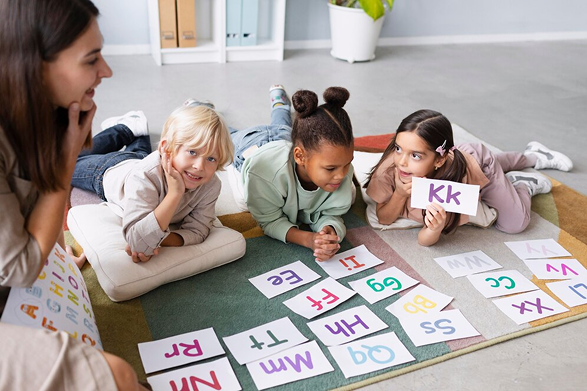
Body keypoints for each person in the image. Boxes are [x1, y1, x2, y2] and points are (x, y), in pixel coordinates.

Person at [0, 0, 147, 389]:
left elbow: (44, 206)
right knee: (117, 374)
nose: (107, 71)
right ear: (34, 64)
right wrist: (66, 162)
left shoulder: (37, 108)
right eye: (91, 59)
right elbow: (20, 265)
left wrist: (70, 148)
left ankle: (129, 131)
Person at [365, 109, 573, 246]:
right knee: (492, 163)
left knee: (514, 223)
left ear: (438, 160)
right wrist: (401, 195)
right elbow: (384, 218)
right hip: (462, 160)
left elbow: (471, 171)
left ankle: (524, 182)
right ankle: (526, 160)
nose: (401, 162)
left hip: (476, 164)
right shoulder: (390, 169)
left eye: (415, 155)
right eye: (399, 148)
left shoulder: (454, 179)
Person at [71, 103, 234, 263]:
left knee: (140, 154)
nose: (199, 166)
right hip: (110, 169)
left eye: (211, 158)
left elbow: (198, 231)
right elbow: (137, 240)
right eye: (192, 152)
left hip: (144, 161)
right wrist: (174, 193)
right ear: (166, 150)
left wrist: (157, 238)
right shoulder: (143, 176)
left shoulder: (211, 185)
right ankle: (123, 130)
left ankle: (137, 129)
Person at [230, 85, 355, 261]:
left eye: (347, 164)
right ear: (300, 156)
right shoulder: (263, 175)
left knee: (282, 125)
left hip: (285, 138)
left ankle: (279, 102)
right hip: (252, 145)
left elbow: (331, 213)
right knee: (220, 134)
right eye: (330, 169)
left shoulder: (337, 165)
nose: (342, 175)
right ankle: (197, 107)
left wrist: (329, 229)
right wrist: (308, 239)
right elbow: (270, 221)